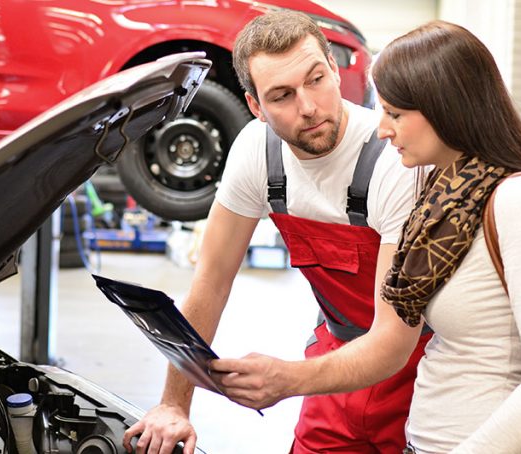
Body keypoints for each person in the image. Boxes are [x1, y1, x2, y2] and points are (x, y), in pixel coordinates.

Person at [209, 20, 521, 453]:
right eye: (383, 110)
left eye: (395, 114)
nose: (382, 129)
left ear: (444, 107)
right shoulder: (453, 200)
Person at [123, 11, 432, 454]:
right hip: (335, 368)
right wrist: (174, 404)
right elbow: (211, 281)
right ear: (255, 106)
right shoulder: (257, 152)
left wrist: (286, 379)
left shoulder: (392, 159)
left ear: (332, 66)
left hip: (418, 371)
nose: (308, 107)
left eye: (316, 80)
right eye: (282, 95)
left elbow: (393, 341)